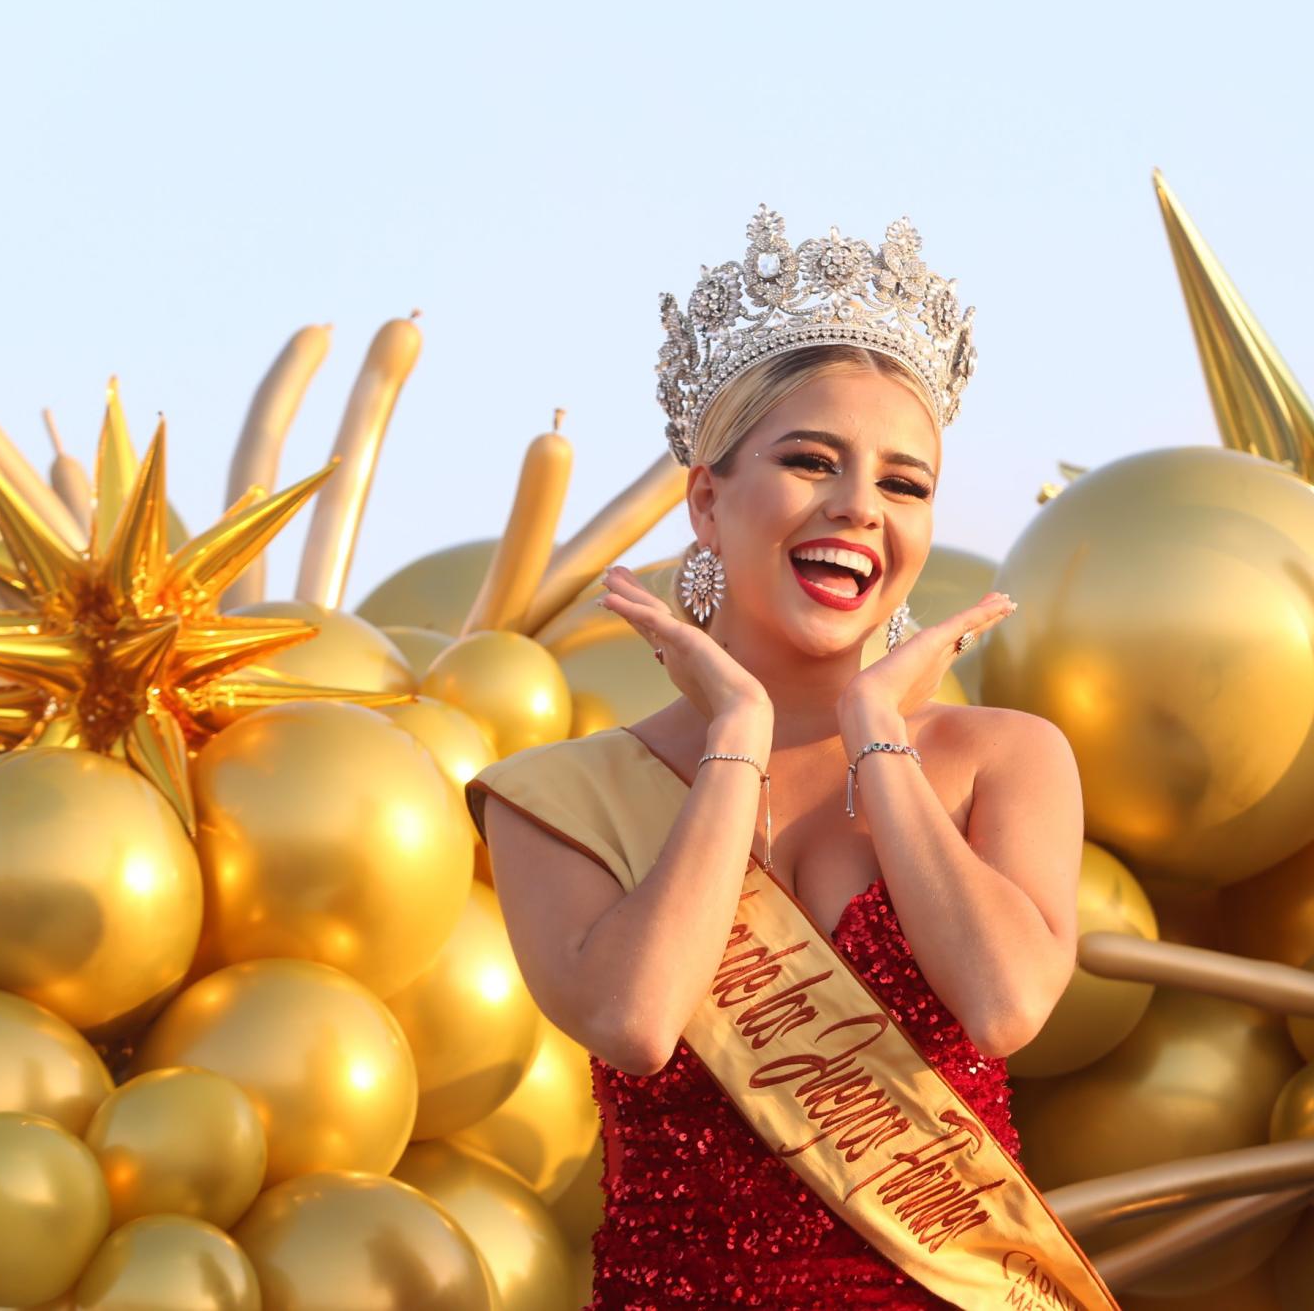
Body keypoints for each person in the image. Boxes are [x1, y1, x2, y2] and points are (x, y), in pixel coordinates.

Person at [466, 206, 1113, 1309]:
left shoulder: (1004, 757)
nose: (859, 506)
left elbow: (1005, 1002)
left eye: (903, 484)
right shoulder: (562, 797)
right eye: (812, 460)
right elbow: (635, 1016)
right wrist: (732, 741)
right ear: (707, 502)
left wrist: (878, 732)